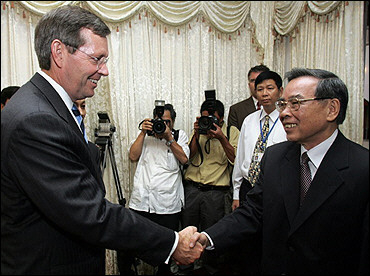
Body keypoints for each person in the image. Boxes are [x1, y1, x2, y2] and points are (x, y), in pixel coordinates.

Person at [1, 5, 202, 275]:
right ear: (59, 52)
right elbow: (89, 214)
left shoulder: (46, 106)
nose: (104, 71)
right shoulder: (37, 119)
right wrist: (172, 242)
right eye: (97, 59)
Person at [190, 68, 369, 275]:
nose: (284, 112)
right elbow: (253, 212)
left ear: (331, 108)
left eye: (296, 103)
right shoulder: (275, 157)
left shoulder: (362, 169)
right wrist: (206, 238)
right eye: (283, 104)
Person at [118, 103, 190, 275]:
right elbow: (133, 156)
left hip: (167, 205)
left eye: (167, 122)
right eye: (160, 121)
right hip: (142, 202)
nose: (163, 125)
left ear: (172, 122)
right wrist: (143, 132)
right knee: (127, 246)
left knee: (166, 252)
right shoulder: (146, 136)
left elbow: (184, 159)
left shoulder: (179, 136)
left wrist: (168, 138)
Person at [228, 70, 287, 275]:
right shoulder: (249, 121)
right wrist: (236, 193)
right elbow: (240, 158)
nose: (264, 93)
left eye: (270, 88)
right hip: (247, 187)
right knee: (247, 241)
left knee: (270, 239)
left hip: (275, 189)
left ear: (280, 91)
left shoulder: (289, 121)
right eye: (260, 88)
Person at [181, 99, 239, 274]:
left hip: (216, 193)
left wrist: (221, 137)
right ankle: (186, 268)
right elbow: (188, 157)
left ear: (221, 119)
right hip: (192, 189)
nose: (209, 122)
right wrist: (198, 134)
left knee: (212, 236)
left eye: (213, 119)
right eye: (205, 118)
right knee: (187, 233)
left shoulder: (231, 131)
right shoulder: (200, 129)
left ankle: (210, 270)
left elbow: (236, 159)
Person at [227, 64, 270, 130]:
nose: (256, 84)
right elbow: (234, 139)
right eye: (253, 81)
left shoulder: (279, 107)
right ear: (249, 84)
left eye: (260, 80)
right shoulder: (236, 110)